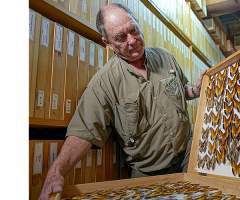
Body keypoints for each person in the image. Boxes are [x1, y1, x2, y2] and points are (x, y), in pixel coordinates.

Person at [39, 3, 206, 200]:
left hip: (190, 155)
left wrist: (194, 91)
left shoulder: (165, 56)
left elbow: (180, 90)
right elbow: (82, 133)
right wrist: (56, 172)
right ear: (107, 43)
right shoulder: (103, 83)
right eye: (120, 37)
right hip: (150, 174)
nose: (132, 41)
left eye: (133, 30)